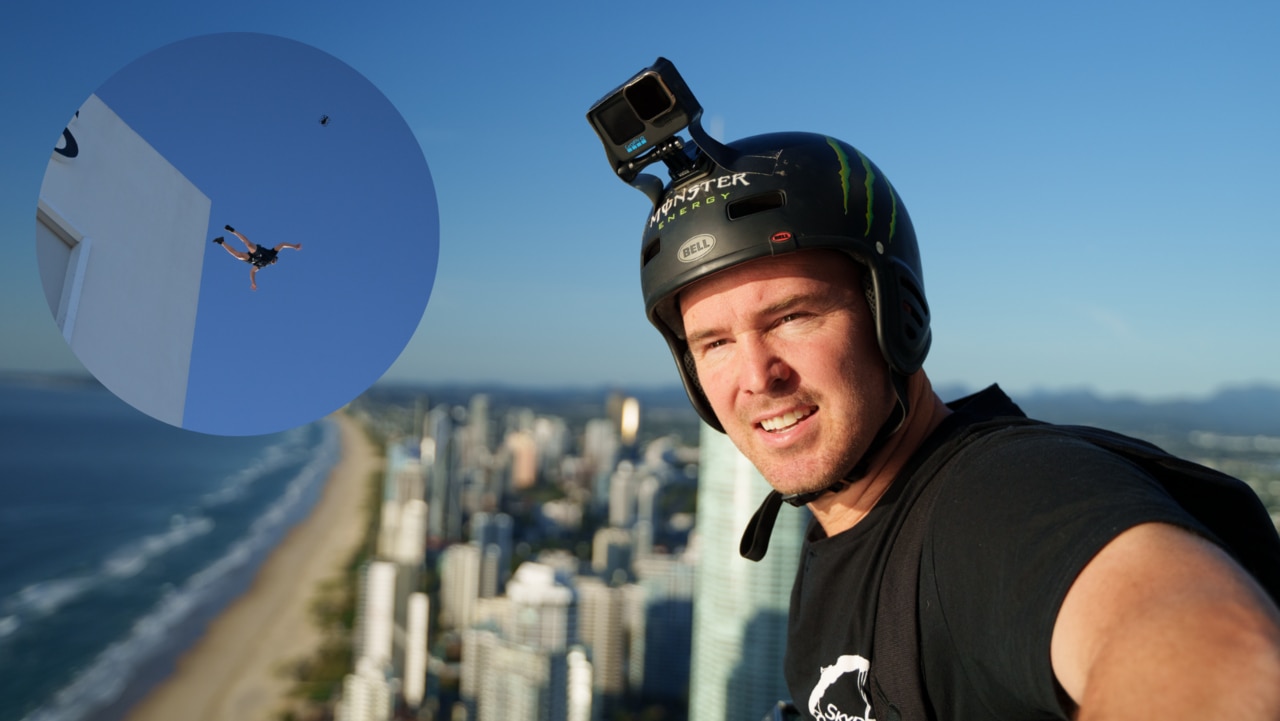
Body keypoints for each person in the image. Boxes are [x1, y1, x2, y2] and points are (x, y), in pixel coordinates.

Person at [598, 110, 1280, 717]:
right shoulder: (846, 532)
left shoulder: (1001, 497)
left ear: (897, 315)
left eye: (794, 316)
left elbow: (1218, 653)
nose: (756, 377)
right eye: (714, 344)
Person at [212, 224, 302, 291]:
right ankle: (233, 231)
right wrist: (294, 246)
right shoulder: (272, 253)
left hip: (253, 259)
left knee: (238, 255)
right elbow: (282, 244)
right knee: (248, 244)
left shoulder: (263, 265)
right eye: (275, 260)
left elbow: (252, 271)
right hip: (258, 252)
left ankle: (221, 241)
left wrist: (253, 283)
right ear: (275, 258)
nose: (274, 261)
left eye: (274, 262)